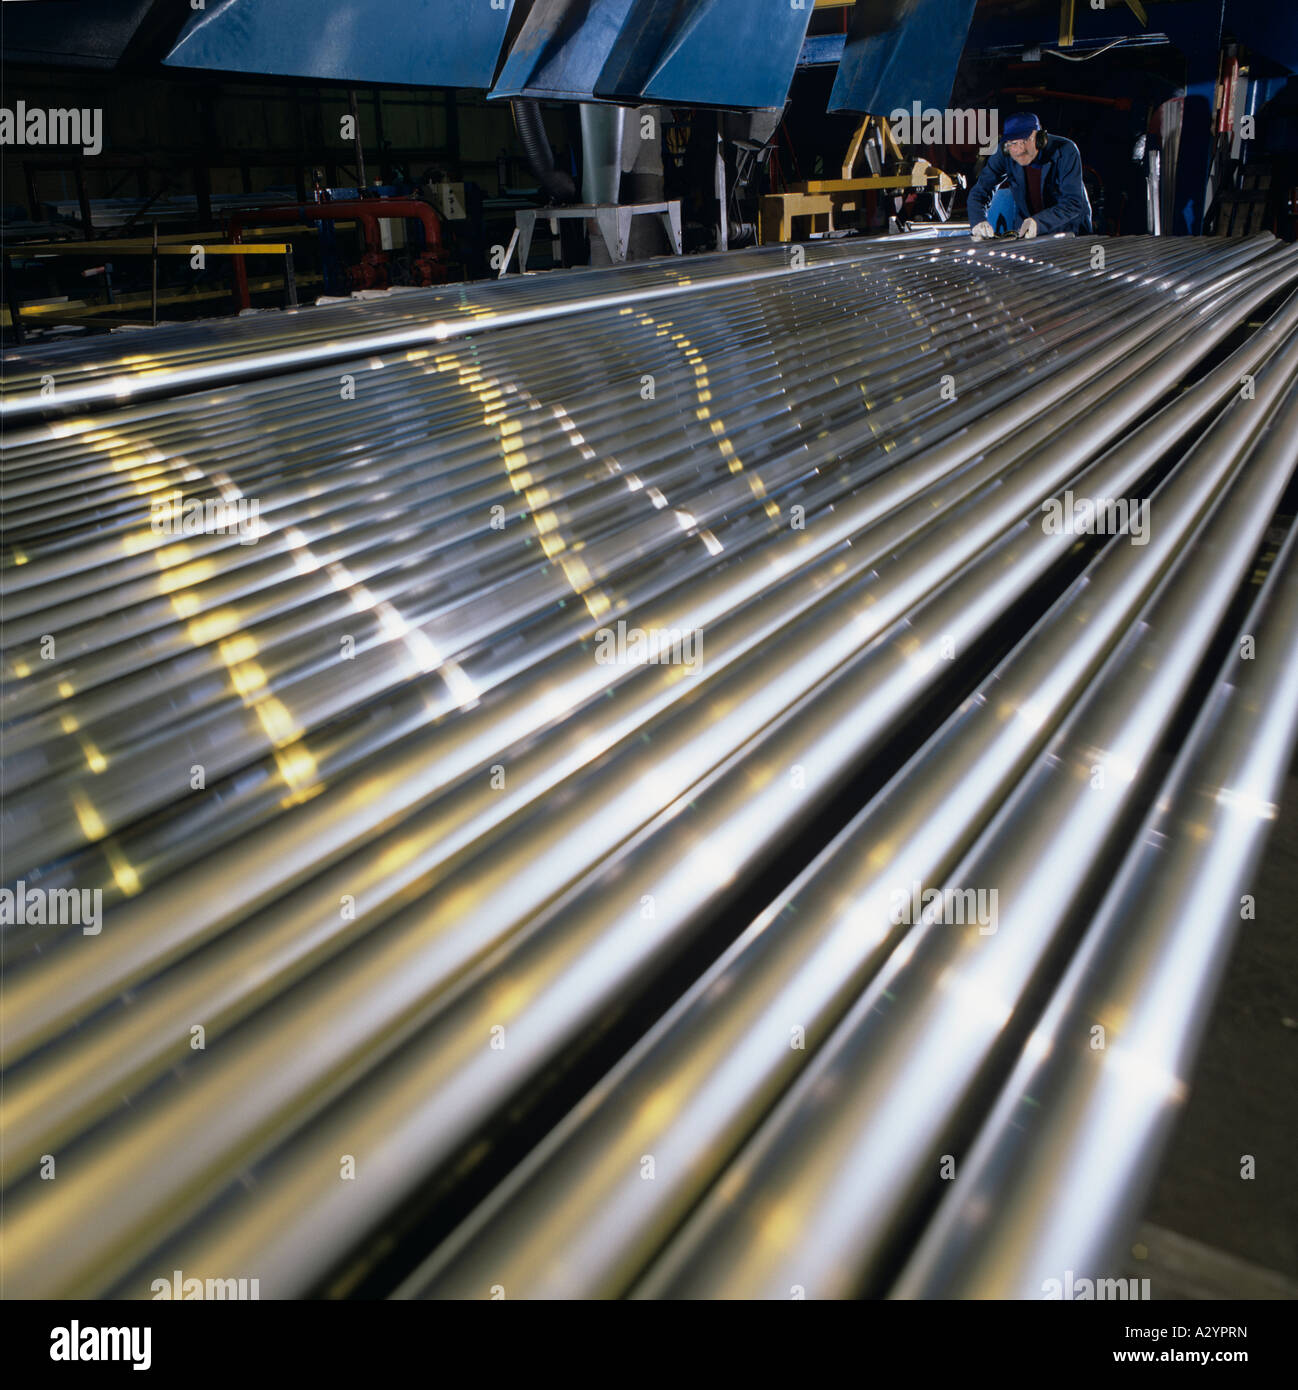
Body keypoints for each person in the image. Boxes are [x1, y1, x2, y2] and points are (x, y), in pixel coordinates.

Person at [967, 113, 1093, 240]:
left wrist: (1038, 222)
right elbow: (979, 193)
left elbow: (1073, 203)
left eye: (1026, 140)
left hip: (1069, 230)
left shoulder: (1066, 150)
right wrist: (978, 221)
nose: (1020, 149)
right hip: (1028, 231)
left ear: (1040, 139)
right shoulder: (1003, 154)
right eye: (1014, 143)